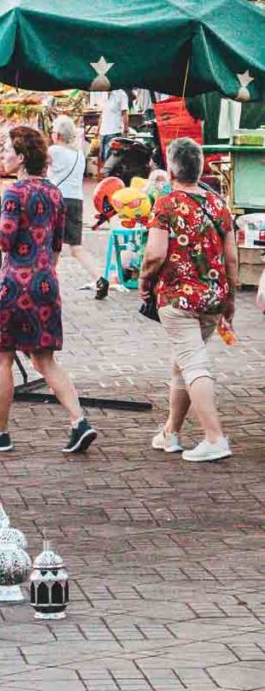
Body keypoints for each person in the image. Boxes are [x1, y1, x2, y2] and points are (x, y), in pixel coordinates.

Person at [0, 126, 97, 454]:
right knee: (44, 360)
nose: (3, 154)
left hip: (14, 283)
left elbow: (4, 241)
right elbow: (56, 246)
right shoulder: (55, 193)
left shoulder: (15, 193)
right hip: (45, 282)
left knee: (2, 358)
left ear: (22, 157)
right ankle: (79, 420)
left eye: (7, 149)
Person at [138, 137, 237, 463]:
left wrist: (144, 280)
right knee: (182, 363)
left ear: (171, 169)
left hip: (178, 297)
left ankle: (215, 437)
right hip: (213, 298)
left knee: (192, 364)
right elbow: (231, 258)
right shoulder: (219, 205)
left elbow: (155, 254)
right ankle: (171, 432)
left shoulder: (166, 204)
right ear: (200, 167)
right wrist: (230, 299)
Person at [48, 115, 108, 300]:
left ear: (57, 135)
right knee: (76, 247)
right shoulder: (79, 155)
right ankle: (99, 278)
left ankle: (48, 284)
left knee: (53, 246)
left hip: (57, 200)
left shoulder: (54, 151)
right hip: (76, 201)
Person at [98, 88, 130, 165]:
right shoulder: (103, 93)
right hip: (103, 132)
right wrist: (98, 130)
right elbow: (102, 114)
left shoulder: (121, 94)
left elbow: (124, 113)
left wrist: (125, 130)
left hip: (114, 131)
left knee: (110, 161)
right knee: (103, 159)